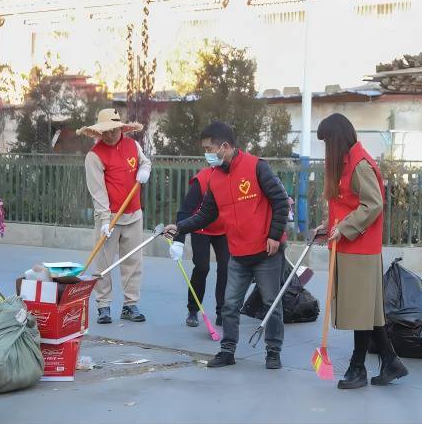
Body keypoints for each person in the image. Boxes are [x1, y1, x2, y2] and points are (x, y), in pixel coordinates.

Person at [164, 121, 289, 369]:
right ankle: (227, 350)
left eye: (209, 149)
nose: (207, 154)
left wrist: (275, 236)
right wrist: (180, 228)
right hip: (238, 253)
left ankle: (273, 351)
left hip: (266, 251)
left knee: (271, 304)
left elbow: (281, 200)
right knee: (230, 305)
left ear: (224, 146)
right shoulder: (214, 177)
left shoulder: (257, 167)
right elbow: (205, 214)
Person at [316, 113, 408, 389]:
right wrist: (328, 226)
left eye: (326, 142)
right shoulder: (346, 163)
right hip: (349, 245)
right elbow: (347, 204)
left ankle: (357, 367)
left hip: (360, 249)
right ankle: (390, 361)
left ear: (336, 140)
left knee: (360, 310)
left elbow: (373, 204)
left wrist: (344, 228)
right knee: (366, 309)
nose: (326, 149)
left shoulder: (359, 165)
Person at [78, 108, 151, 324]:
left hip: (134, 214)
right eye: (105, 131)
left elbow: (145, 162)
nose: (109, 135)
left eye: (113, 130)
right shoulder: (94, 156)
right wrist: (104, 220)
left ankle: (130, 304)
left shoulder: (133, 145)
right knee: (103, 263)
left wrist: (144, 170)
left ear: (120, 128)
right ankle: (103, 306)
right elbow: (97, 191)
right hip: (109, 217)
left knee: (133, 261)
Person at [171, 166, 229, 328]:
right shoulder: (203, 178)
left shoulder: (233, 176)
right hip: (200, 228)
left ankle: (223, 312)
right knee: (202, 267)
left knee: (226, 268)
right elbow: (185, 210)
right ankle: (193, 310)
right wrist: (178, 241)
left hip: (223, 229)